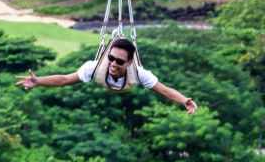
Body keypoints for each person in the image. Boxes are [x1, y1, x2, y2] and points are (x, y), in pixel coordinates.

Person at [15, 38, 198, 115]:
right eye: (110, 58)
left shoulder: (138, 72)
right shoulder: (94, 67)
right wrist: (38, 81)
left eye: (119, 61)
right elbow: (64, 80)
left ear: (129, 63)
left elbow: (164, 90)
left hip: (128, 83)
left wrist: (184, 101)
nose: (113, 64)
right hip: (102, 78)